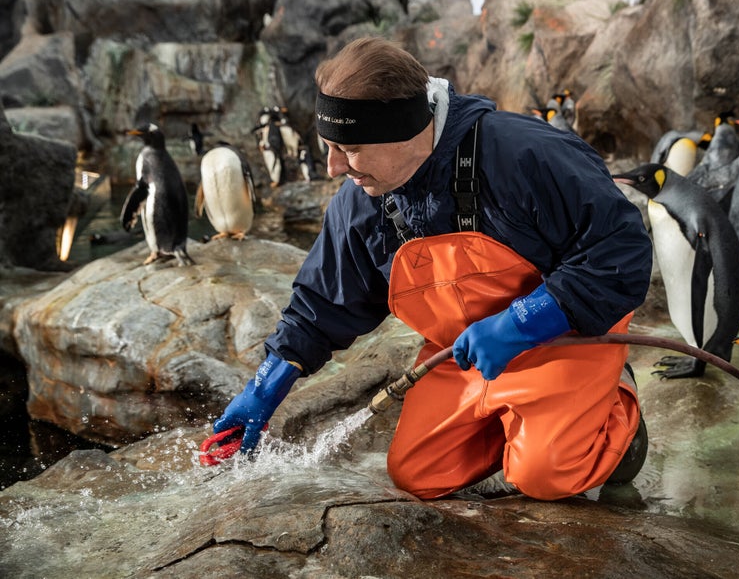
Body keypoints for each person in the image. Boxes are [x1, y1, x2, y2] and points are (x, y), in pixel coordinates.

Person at [208, 37, 652, 501]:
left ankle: (615, 406)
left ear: (403, 132)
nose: (334, 166)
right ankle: (526, 425)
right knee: (417, 474)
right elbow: (323, 302)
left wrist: (522, 323)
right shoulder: (361, 202)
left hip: (563, 336)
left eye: (349, 148)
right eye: (328, 147)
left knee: (546, 475)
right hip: (463, 353)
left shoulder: (523, 154)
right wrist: (265, 386)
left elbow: (620, 251)